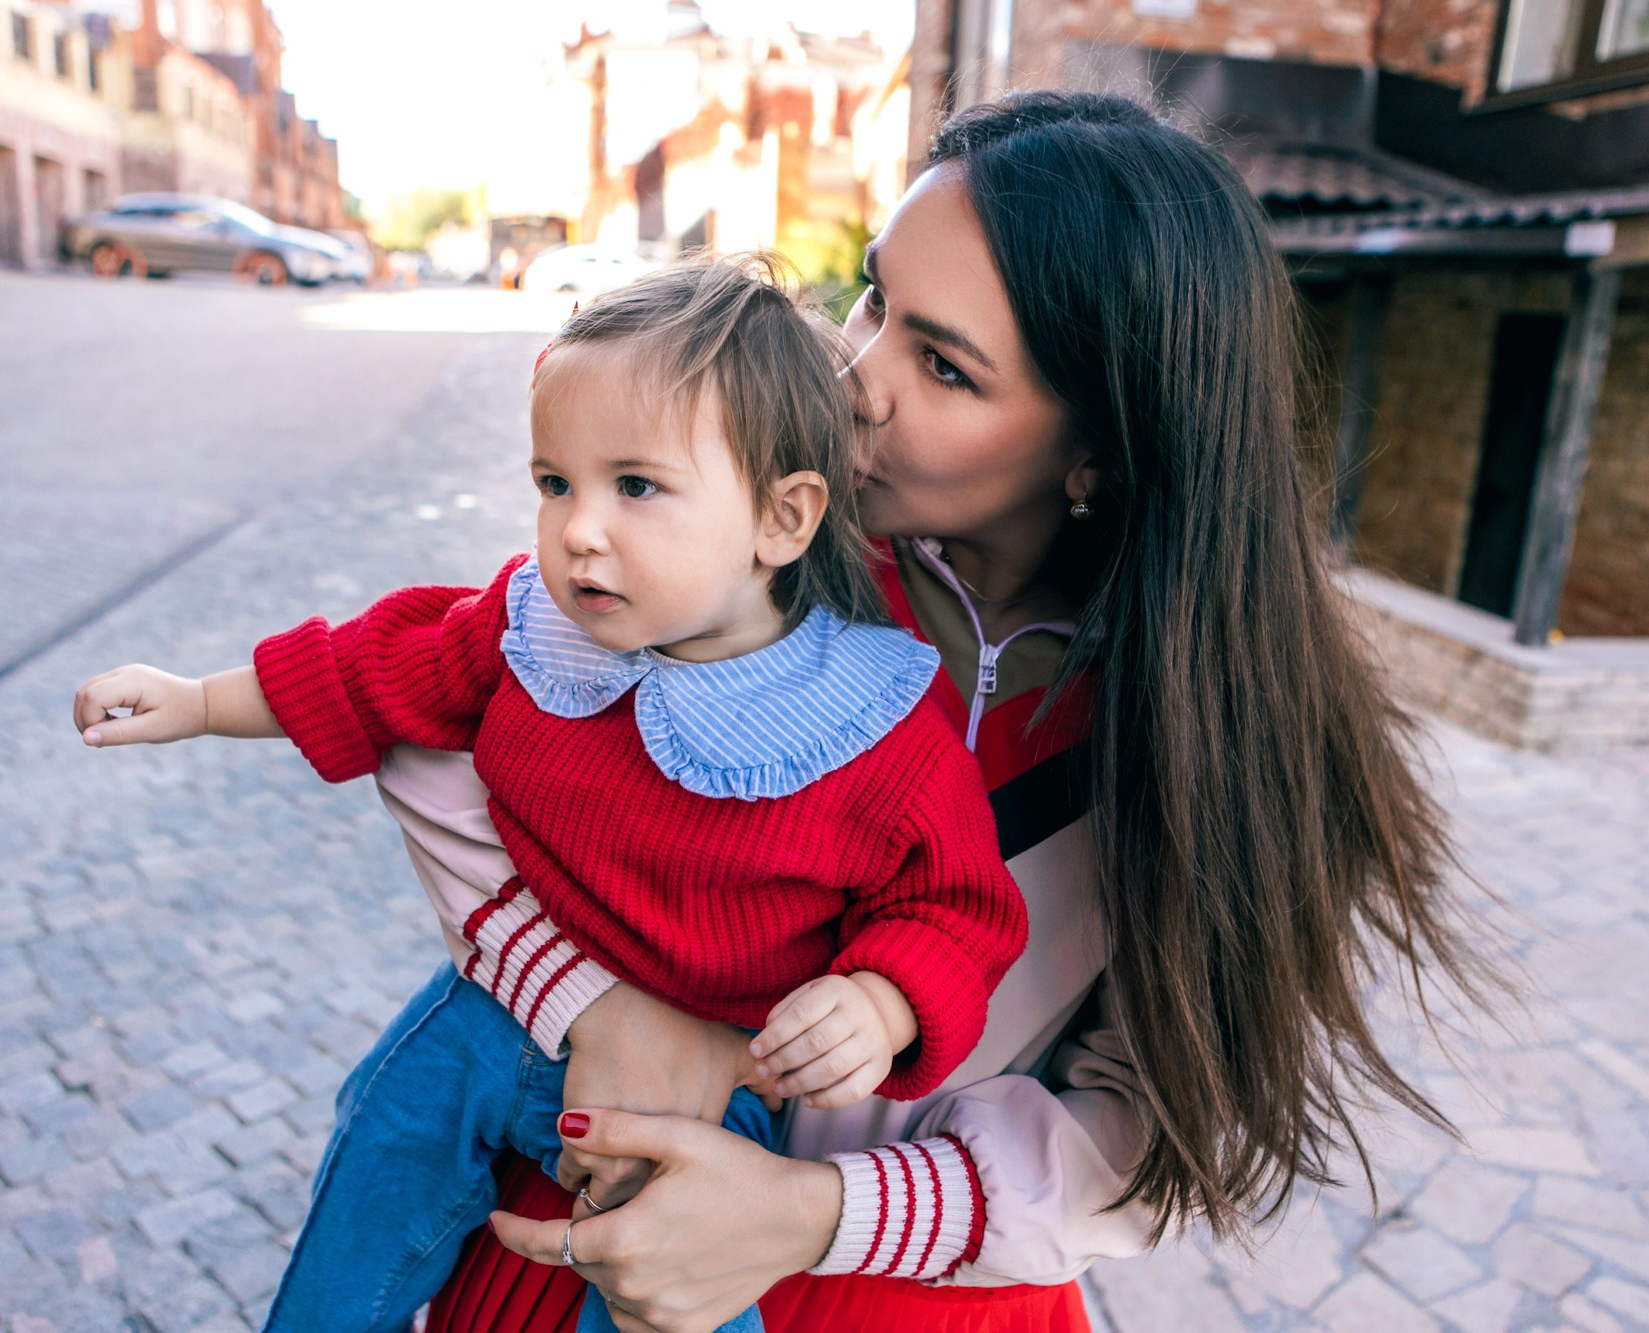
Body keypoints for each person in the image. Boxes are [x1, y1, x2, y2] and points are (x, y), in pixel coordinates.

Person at [412, 90, 1501, 1333]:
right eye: (871, 298)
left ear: (1097, 447)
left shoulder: (1206, 736)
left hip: (925, 1298)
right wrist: (587, 1003)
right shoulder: (733, 565)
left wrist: (823, 1209)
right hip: (602, 1229)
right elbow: (437, 728)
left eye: (941, 364)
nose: (851, 378)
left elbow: (1151, 1135)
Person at [69, 258, 1032, 1333]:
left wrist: (880, 1000)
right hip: (497, 1017)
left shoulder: (871, 722)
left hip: (701, 1090)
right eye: (553, 481)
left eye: (635, 486)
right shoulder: (530, 627)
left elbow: (957, 908)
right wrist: (199, 700)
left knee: (668, 1288)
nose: (578, 528)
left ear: (781, 517)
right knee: (385, 1143)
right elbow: (369, 668)